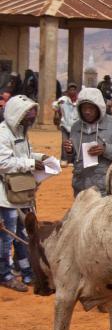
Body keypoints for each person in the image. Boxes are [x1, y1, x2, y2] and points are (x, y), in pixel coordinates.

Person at [0, 95, 47, 291]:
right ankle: (5, 274)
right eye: (28, 114)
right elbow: (3, 163)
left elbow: (23, 156)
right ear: (15, 115)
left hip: (22, 193)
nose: (32, 118)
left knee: (24, 233)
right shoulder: (3, 134)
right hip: (6, 196)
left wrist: (40, 158)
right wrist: (29, 163)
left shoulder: (21, 131)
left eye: (33, 114)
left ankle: (27, 273)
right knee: (7, 237)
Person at [63, 87, 112, 196]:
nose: (87, 112)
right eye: (84, 108)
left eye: (91, 108)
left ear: (99, 108)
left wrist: (105, 149)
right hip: (80, 187)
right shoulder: (76, 127)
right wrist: (69, 151)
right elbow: (74, 158)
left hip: (105, 188)